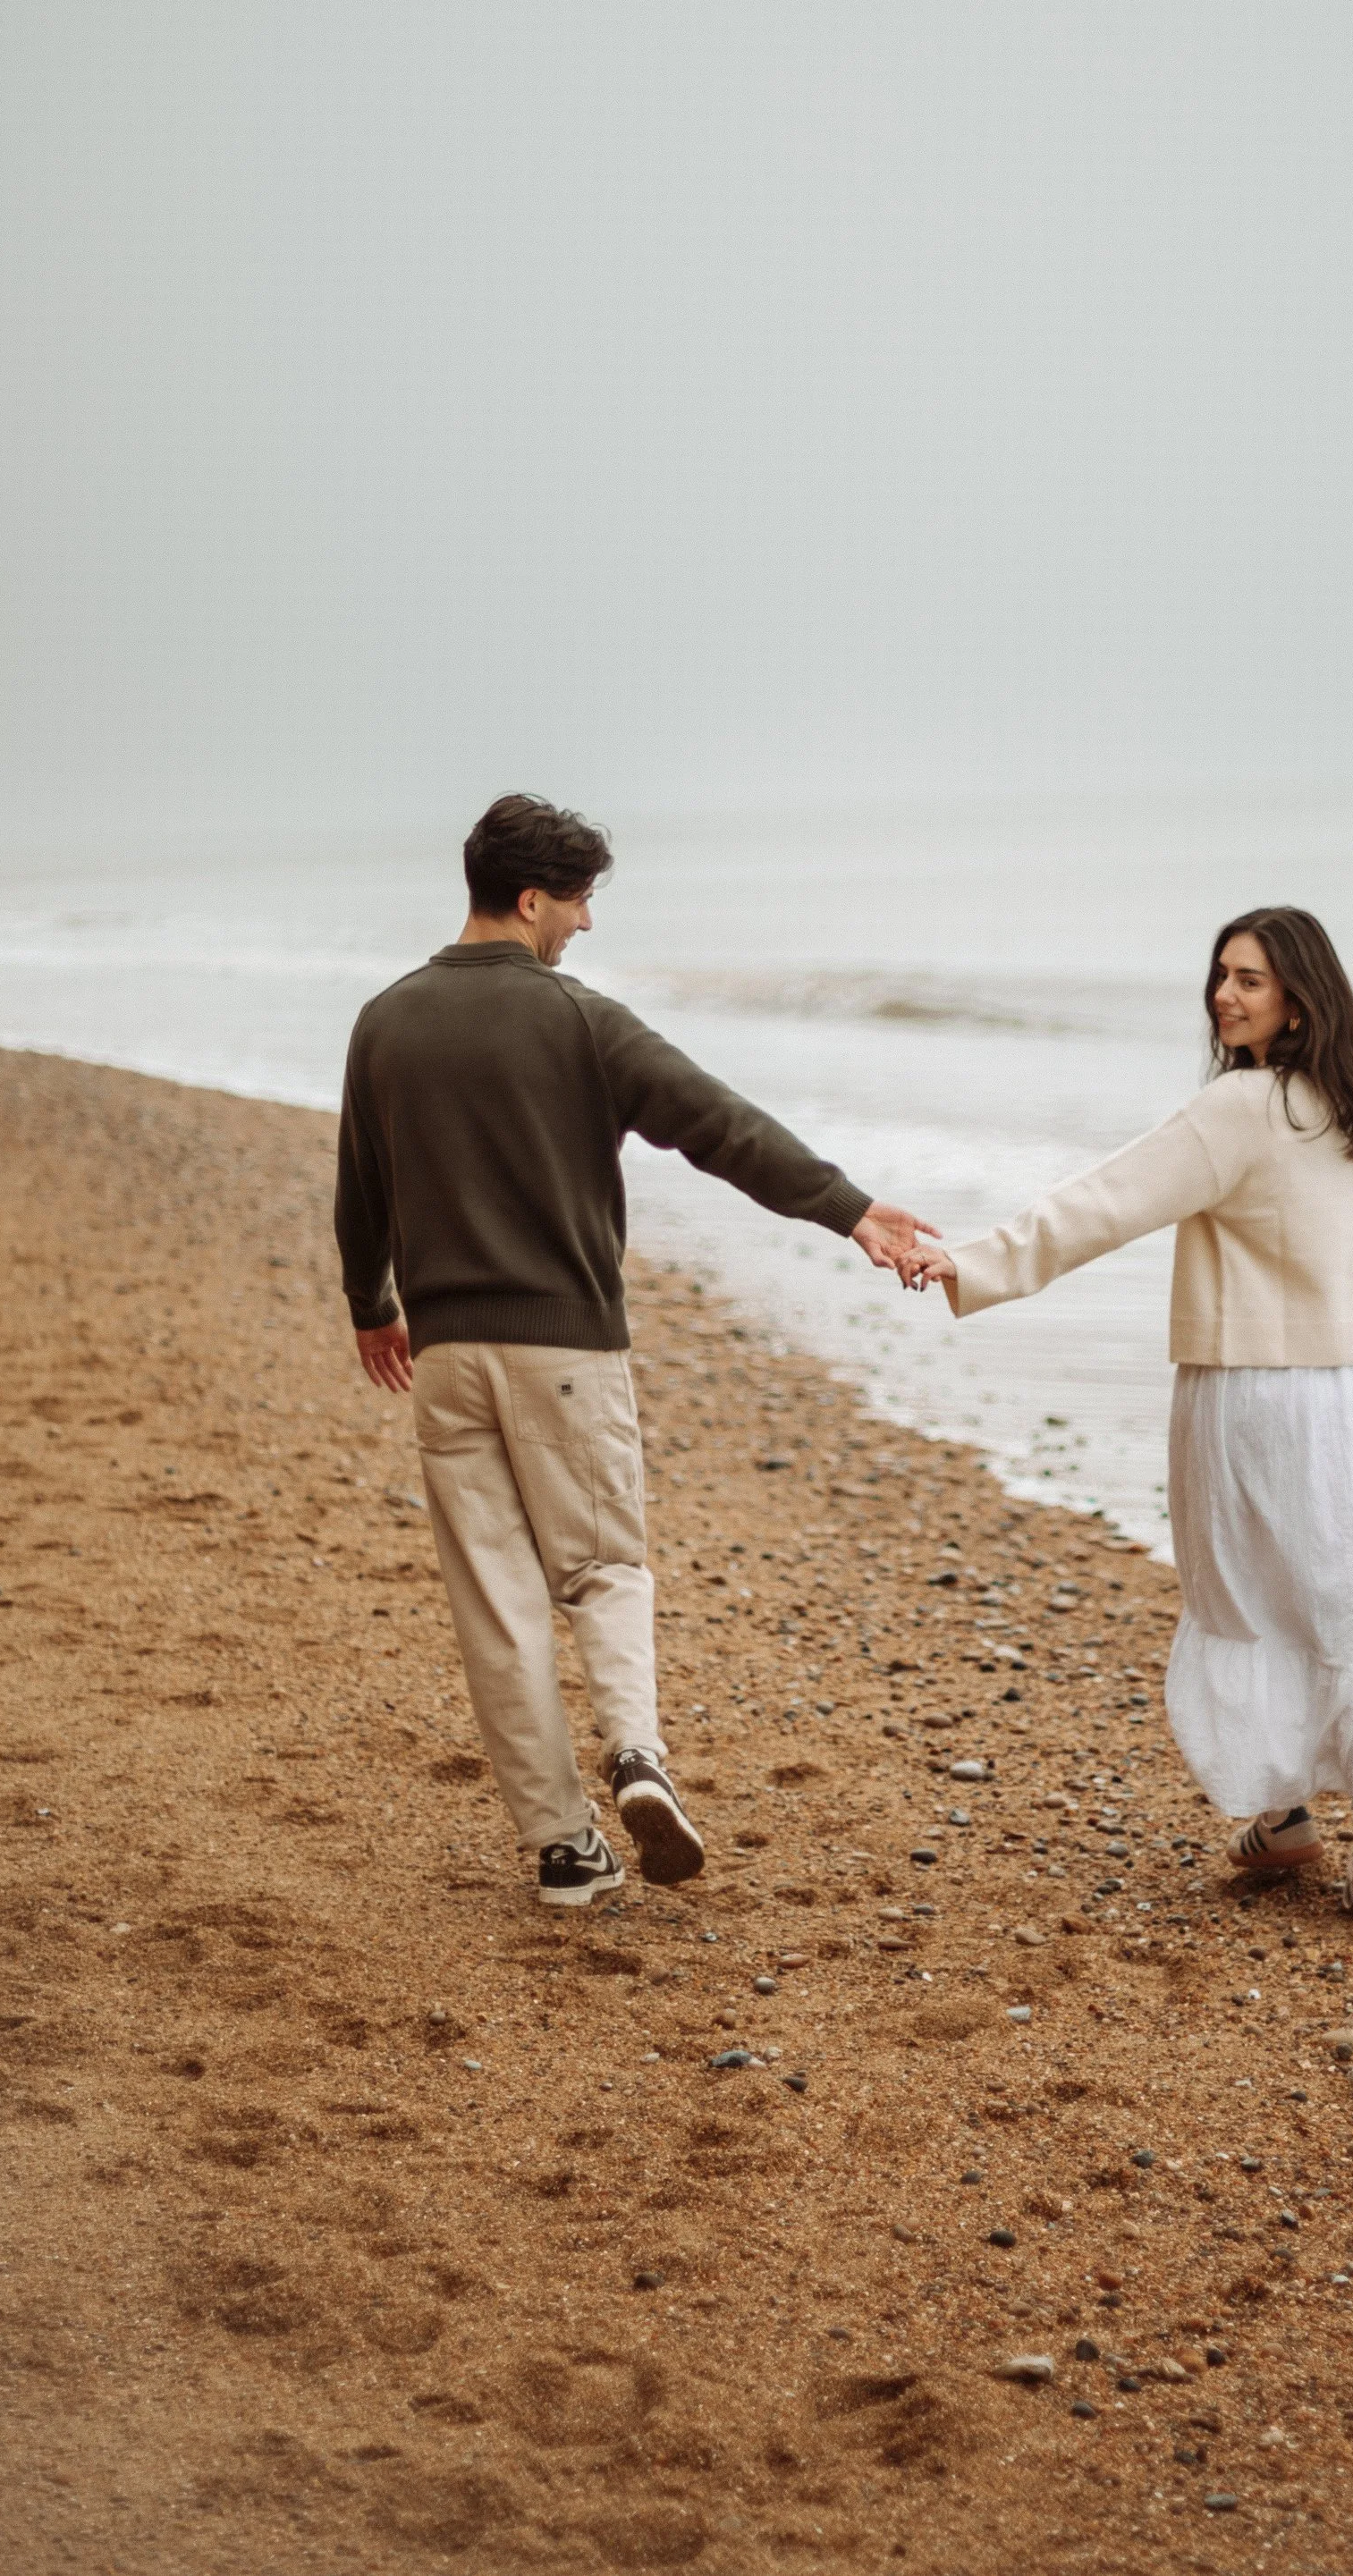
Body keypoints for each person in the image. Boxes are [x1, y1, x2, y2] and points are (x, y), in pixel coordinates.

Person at [335, 793, 935, 1909]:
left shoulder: (385, 1020)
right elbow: (717, 1124)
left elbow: (360, 1183)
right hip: (564, 1349)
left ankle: (566, 1848)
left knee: (498, 1603)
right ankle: (638, 1757)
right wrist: (848, 1208)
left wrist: (369, 1301)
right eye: (577, 901)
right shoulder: (580, 1021)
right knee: (603, 1566)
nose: (585, 925)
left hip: (449, 1356)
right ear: (528, 899)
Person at [911, 909, 1353, 1931]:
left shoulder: (1238, 1105)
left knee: (1244, 1598)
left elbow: (1105, 1201)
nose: (1224, 995)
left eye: (1250, 981)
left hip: (1246, 1391)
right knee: (1344, 1609)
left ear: (1299, 999)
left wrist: (973, 1262)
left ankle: (1283, 1810)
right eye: (1220, 975)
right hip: (1352, 1396)